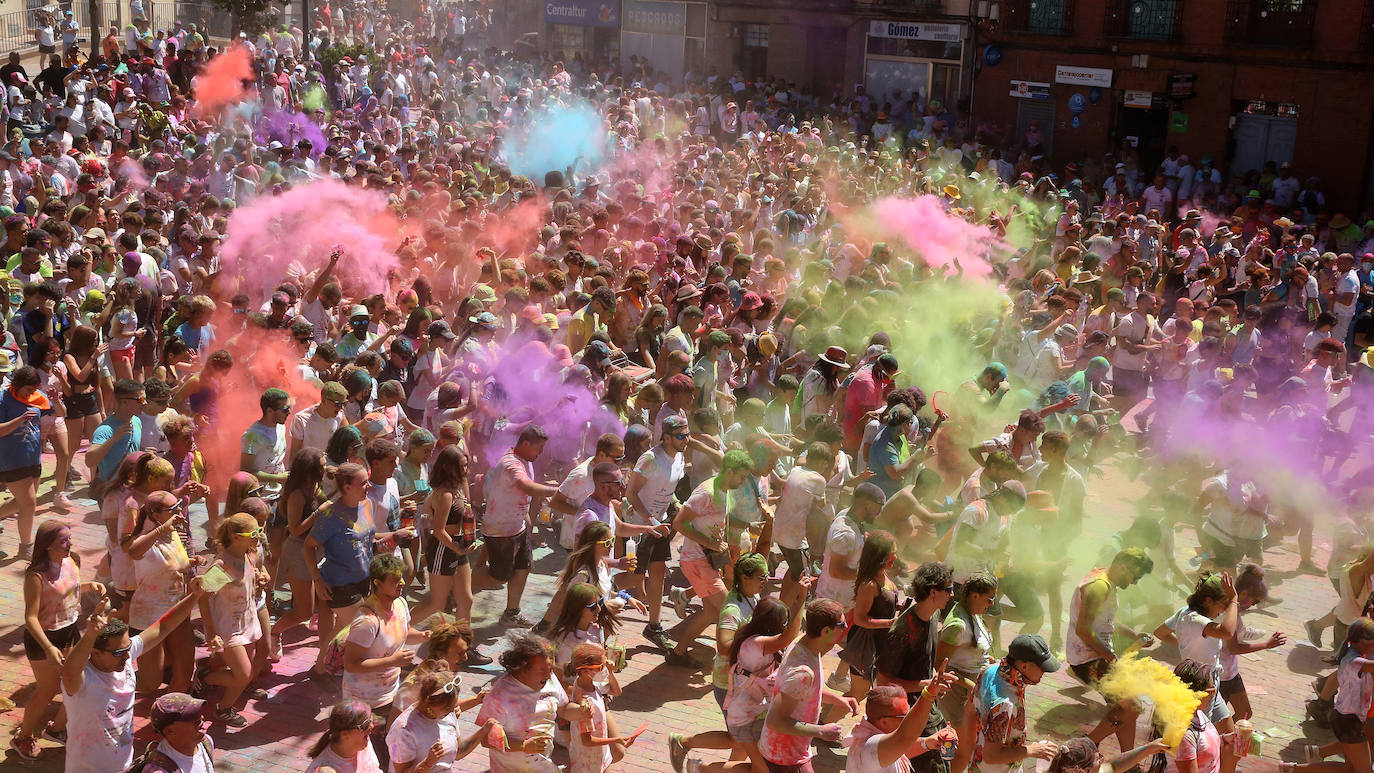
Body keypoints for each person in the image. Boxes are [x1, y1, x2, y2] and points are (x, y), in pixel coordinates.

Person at [60, 578, 206, 773]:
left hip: (125, 766)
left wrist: (194, 596)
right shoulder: (83, 680)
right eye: (119, 652)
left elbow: (163, 626)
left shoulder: (124, 655)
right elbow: (68, 673)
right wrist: (89, 635)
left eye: (128, 648)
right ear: (96, 653)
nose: (128, 656)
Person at [12, 520, 104, 760]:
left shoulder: (69, 560)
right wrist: (49, 647)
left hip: (70, 631)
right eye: (63, 541)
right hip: (45, 637)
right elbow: (30, 618)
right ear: (47, 545)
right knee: (48, 689)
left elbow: (68, 589)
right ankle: (23, 737)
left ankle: (56, 729)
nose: (69, 543)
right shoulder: (36, 576)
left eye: (69, 538)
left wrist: (88, 586)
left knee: (77, 683)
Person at [668, 448, 756, 667]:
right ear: (729, 472)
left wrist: (722, 554)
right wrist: (709, 544)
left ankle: (677, 654)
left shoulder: (724, 490)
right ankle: (730, 662)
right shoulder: (706, 492)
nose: (744, 481)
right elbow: (679, 523)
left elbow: (715, 528)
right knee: (732, 609)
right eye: (742, 476)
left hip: (705, 561)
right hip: (695, 560)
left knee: (710, 612)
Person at [1065, 548, 1156, 755]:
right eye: (1136, 576)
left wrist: (1133, 635)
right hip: (1088, 660)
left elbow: (1106, 618)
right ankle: (1085, 747)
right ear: (1124, 566)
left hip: (1095, 656)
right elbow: (1083, 629)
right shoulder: (1099, 586)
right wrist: (1109, 655)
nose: (1135, 582)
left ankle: (1127, 758)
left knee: (1127, 708)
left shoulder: (1106, 582)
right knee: (1132, 705)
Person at [759, 597, 859, 772]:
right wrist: (820, 731)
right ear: (826, 630)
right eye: (842, 625)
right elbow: (775, 720)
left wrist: (838, 700)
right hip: (784, 756)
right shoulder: (803, 672)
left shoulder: (804, 644)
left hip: (791, 751)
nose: (846, 628)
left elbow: (806, 694)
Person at [477, 632, 594, 773]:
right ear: (523, 667)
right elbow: (486, 740)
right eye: (543, 670)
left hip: (541, 766)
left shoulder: (550, 679)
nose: (549, 674)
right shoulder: (500, 696)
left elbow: (563, 709)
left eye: (551, 668)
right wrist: (523, 745)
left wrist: (581, 711)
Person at [624, 413, 690, 650]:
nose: (687, 440)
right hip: (639, 526)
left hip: (659, 525)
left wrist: (676, 505)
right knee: (631, 577)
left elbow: (667, 489)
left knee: (658, 574)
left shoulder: (679, 458)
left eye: (688, 434)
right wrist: (650, 520)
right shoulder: (650, 460)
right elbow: (631, 494)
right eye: (682, 436)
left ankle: (654, 626)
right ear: (667, 437)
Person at [483, 425, 560, 627]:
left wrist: (526, 516)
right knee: (499, 577)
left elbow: (521, 491)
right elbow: (525, 486)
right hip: (501, 530)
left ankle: (512, 612)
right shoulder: (511, 463)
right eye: (538, 448)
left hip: (519, 526)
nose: (541, 453)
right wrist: (556, 490)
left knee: (523, 568)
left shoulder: (525, 459)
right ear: (526, 443)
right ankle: (457, 587)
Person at [197, 512, 268, 727]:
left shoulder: (248, 554)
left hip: (246, 620)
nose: (258, 536)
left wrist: (259, 577)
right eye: (253, 533)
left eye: (260, 531)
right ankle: (222, 706)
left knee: (246, 671)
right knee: (244, 674)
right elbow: (202, 597)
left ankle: (208, 676)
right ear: (236, 537)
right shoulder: (222, 565)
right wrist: (210, 631)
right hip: (228, 627)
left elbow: (251, 574)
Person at [958, 634, 1063, 773]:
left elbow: (969, 709)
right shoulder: (1005, 704)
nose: (1044, 672)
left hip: (978, 760)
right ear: (1024, 666)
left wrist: (970, 747)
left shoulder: (991, 670)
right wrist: (1030, 750)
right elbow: (991, 756)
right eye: (1042, 667)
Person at [384, 665, 496, 773]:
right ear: (428, 701)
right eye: (447, 707)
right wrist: (428, 763)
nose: (453, 710)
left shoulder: (447, 714)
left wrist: (484, 729)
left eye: (453, 705)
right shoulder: (404, 730)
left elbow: (458, 752)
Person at [0, 365, 50, 558]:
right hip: (11, 459)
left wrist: (55, 400)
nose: (32, 393)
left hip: (32, 457)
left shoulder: (36, 397)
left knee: (23, 502)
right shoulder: (3, 400)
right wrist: (20, 419)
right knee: (29, 503)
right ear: (18, 384)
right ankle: (26, 547)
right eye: (29, 389)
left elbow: (60, 413)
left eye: (34, 389)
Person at [132, 692, 216, 773]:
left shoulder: (206, 742)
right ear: (170, 731)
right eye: (191, 716)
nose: (201, 719)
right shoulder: (159, 770)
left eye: (198, 712)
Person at [306, 700, 384, 773]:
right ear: (345, 734)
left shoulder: (362, 744)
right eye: (365, 724)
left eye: (371, 720)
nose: (372, 726)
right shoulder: (326, 770)